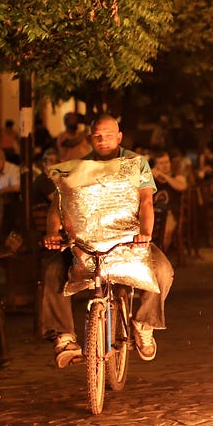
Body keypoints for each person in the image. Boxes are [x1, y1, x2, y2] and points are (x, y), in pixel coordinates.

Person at [41, 114, 174, 368]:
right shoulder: (77, 168)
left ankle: (144, 324)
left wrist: (144, 233)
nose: (103, 141)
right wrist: (53, 232)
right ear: (91, 139)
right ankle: (65, 337)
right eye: (98, 137)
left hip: (129, 241)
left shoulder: (136, 164)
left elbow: (146, 201)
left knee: (164, 271)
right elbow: (57, 206)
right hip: (85, 245)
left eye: (109, 136)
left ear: (119, 137)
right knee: (53, 272)